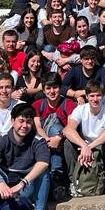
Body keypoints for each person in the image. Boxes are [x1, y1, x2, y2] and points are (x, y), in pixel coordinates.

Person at [0, 104, 52, 210]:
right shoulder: (4, 139)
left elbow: (43, 162)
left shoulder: (37, 140)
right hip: (6, 184)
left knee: (43, 171)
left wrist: (22, 183)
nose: (25, 126)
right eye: (21, 121)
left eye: (28, 122)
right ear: (12, 121)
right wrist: (0, 182)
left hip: (26, 185)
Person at [62, 79, 105, 195]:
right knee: (68, 143)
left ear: (103, 96)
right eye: (92, 96)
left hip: (102, 144)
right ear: (87, 96)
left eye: (98, 95)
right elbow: (68, 130)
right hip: (84, 144)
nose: (95, 99)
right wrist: (84, 145)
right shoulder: (80, 109)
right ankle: (73, 181)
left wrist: (90, 146)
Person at [32, 73, 75, 202]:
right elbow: (38, 127)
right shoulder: (38, 104)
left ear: (60, 88)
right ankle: (56, 179)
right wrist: (47, 139)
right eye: (48, 88)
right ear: (44, 90)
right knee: (52, 129)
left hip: (63, 140)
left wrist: (58, 137)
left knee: (56, 127)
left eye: (55, 87)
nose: (52, 91)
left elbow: (71, 127)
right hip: (45, 141)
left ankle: (56, 180)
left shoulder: (68, 103)